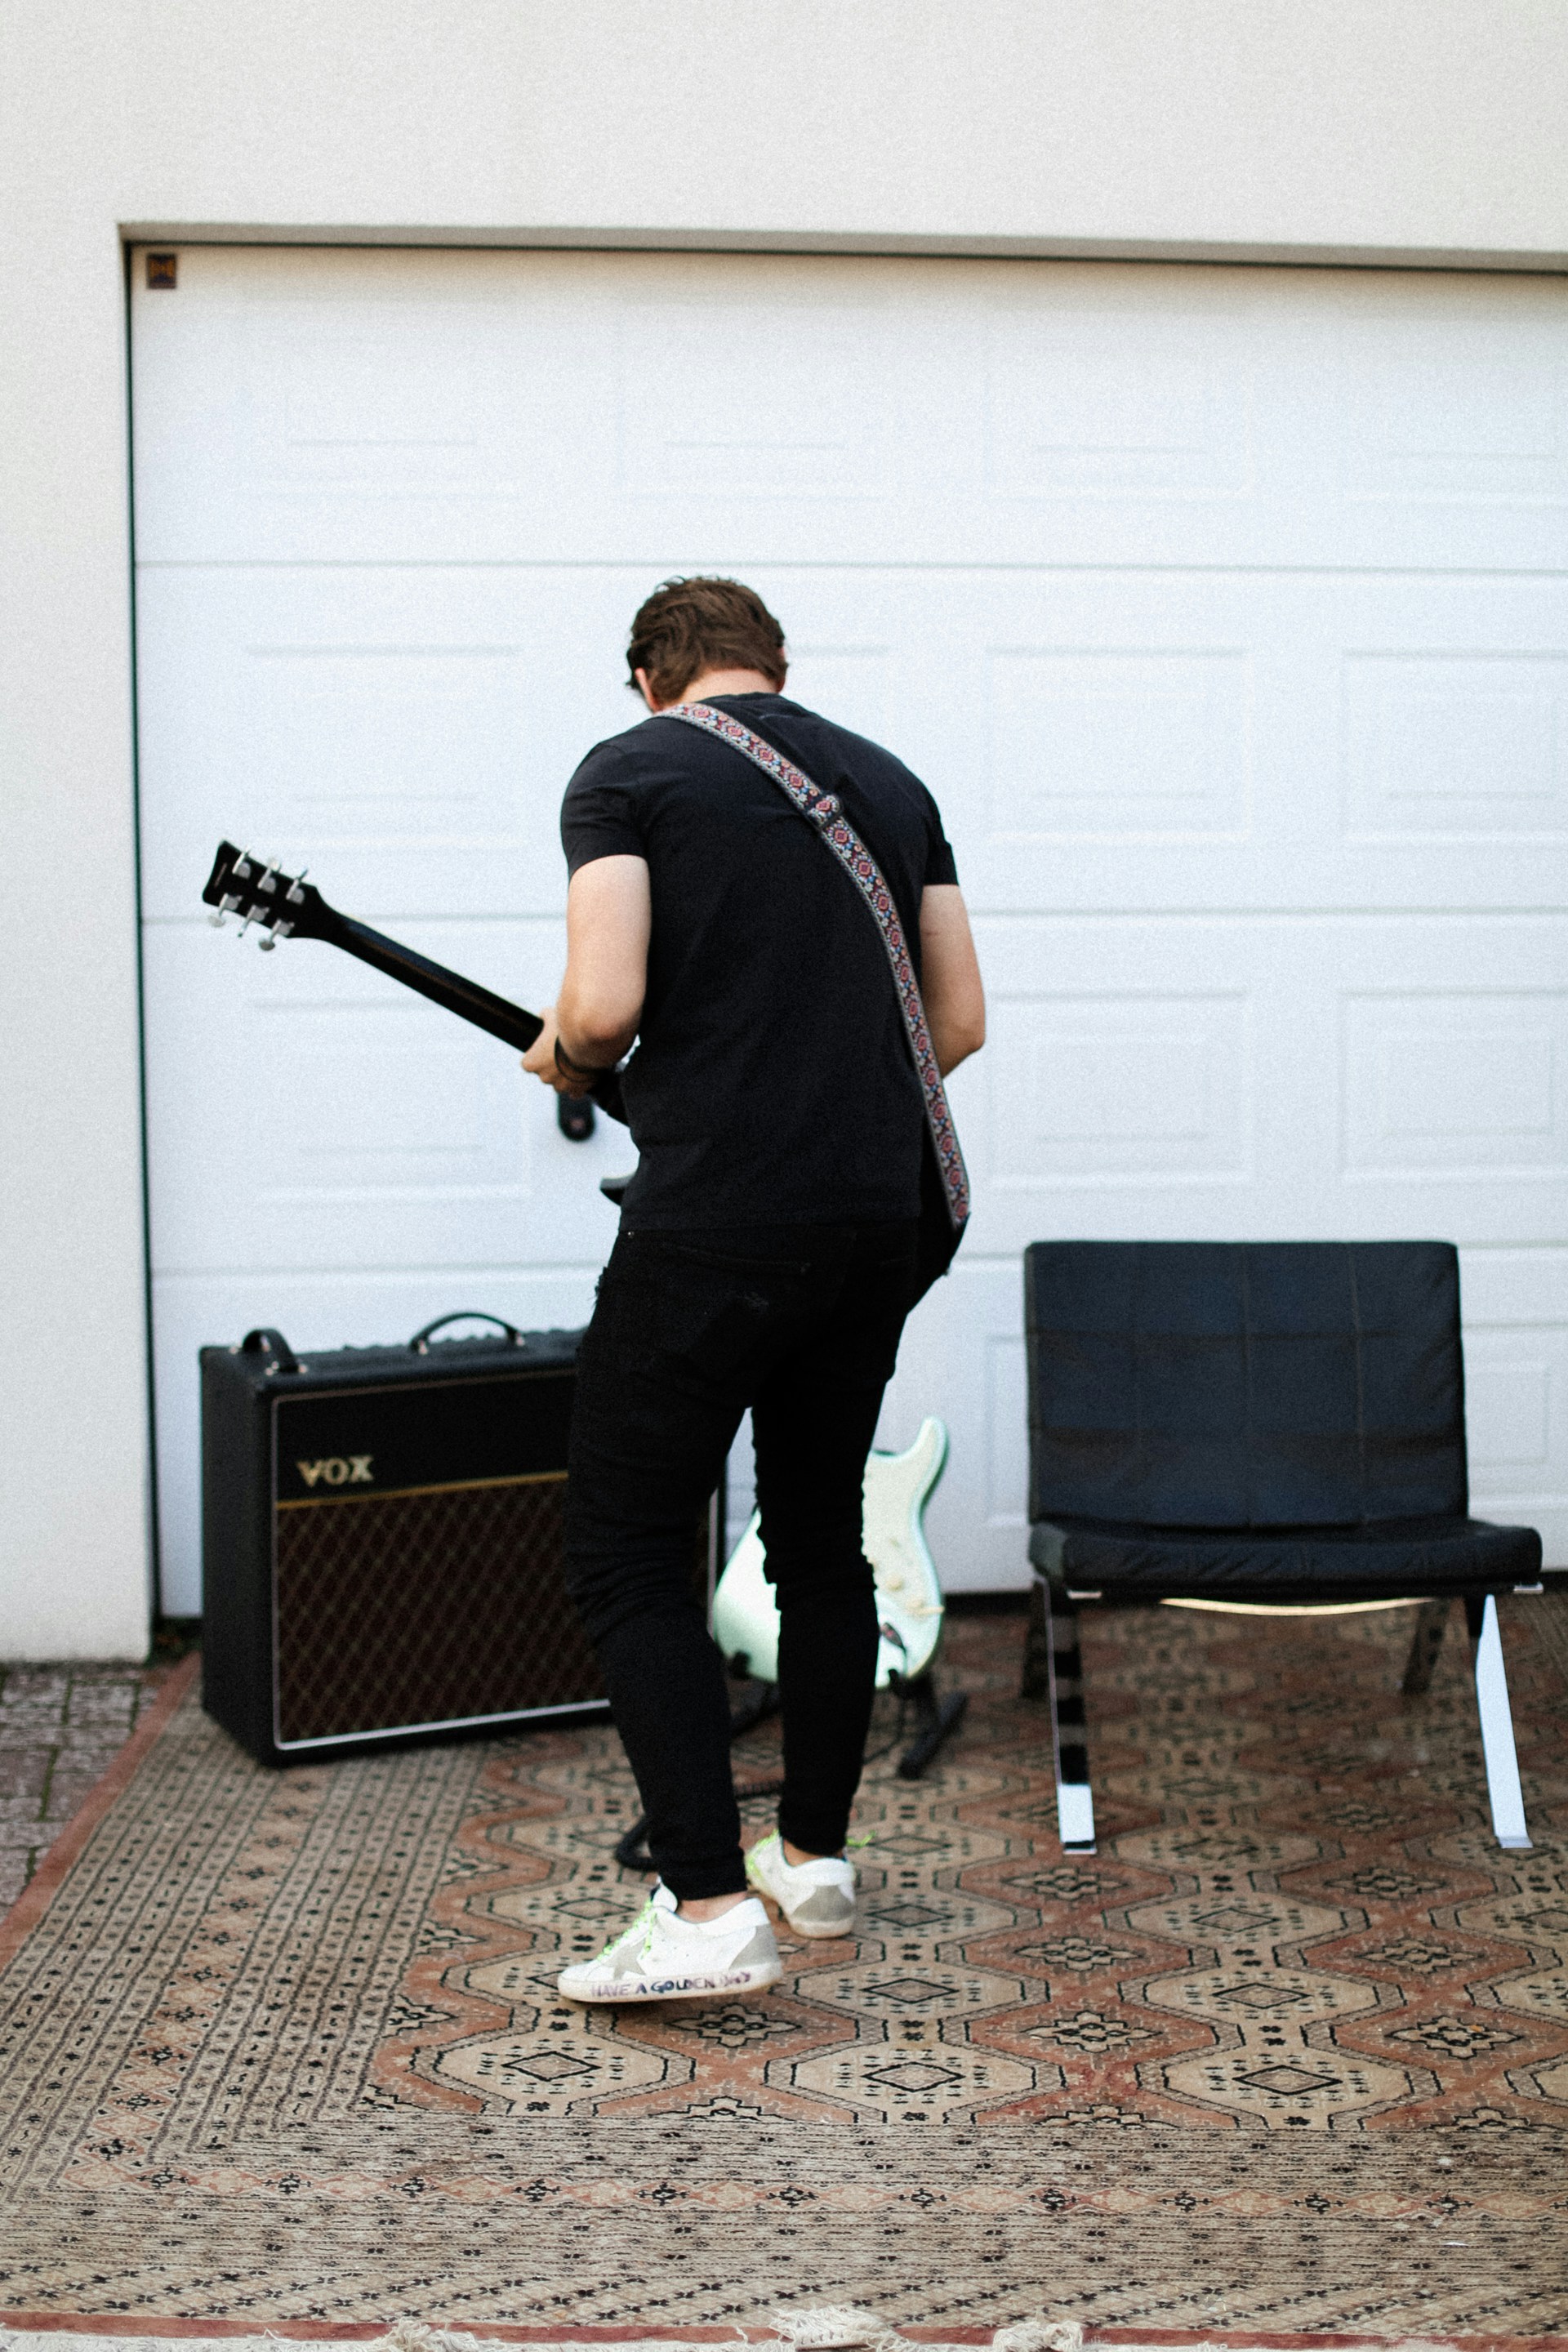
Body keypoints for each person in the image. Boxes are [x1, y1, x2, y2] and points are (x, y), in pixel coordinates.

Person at [521, 577, 985, 2004]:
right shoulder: (892, 784)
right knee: (817, 1535)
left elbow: (602, 1005)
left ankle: (709, 1909)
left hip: (720, 1223)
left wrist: (572, 1063)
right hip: (876, 1220)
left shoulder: (631, 771)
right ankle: (812, 1860)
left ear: (651, 676)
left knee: (626, 1544)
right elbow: (957, 1022)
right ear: (773, 668)